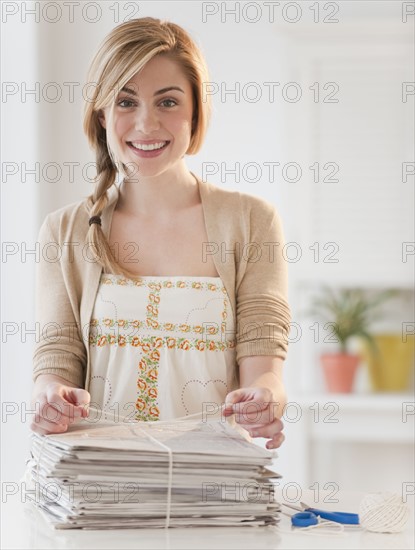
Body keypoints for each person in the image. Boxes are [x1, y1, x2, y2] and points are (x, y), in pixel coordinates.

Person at [30, 17, 291, 450]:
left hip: (212, 490)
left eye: (167, 102)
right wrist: (49, 398)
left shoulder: (253, 221)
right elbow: (55, 359)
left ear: (196, 112)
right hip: (98, 489)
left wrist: (266, 399)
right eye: (126, 102)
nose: (147, 124)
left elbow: (265, 364)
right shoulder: (64, 231)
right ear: (101, 113)